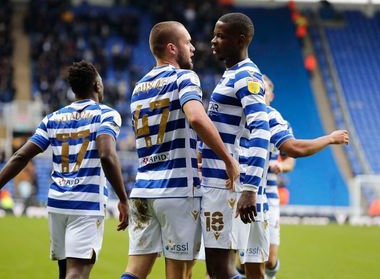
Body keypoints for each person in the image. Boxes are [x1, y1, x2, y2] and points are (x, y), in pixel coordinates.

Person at [0, 60, 129, 279]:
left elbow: (21, 156)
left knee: (64, 271)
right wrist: (123, 199)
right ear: (97, 85)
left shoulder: (53, 118)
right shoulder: (106, 115)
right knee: (76, 274)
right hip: (85, 205)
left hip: (57, 204)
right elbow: (107, 155)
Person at [121, 21, 240, 279]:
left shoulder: (138, 88)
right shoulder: (184, 77)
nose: (194, 48)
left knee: (134, 271)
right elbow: (196, 118)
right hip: (177, 191)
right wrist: (228, 158)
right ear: (173, 48)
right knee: (180, 273)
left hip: (142, 190)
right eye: (188, 43)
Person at [236, 74, 349, 279]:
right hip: (240, 191)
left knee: (269, 259)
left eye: (266, 88)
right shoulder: (241, 117)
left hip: (268, 194)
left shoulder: (278, 122)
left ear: (271, 94)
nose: (262, 92)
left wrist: (280, 166)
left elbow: (290, 158)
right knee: (245, 261)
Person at [200, 13, 271, 279]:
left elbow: (260, 129)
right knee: (217, 269)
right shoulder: (231, 74)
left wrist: (250, 188)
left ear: (240, 40)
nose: (213, 41)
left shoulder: (247, 76)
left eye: (220, 36)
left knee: (221, 269)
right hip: (217, 182)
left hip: (226, 185)